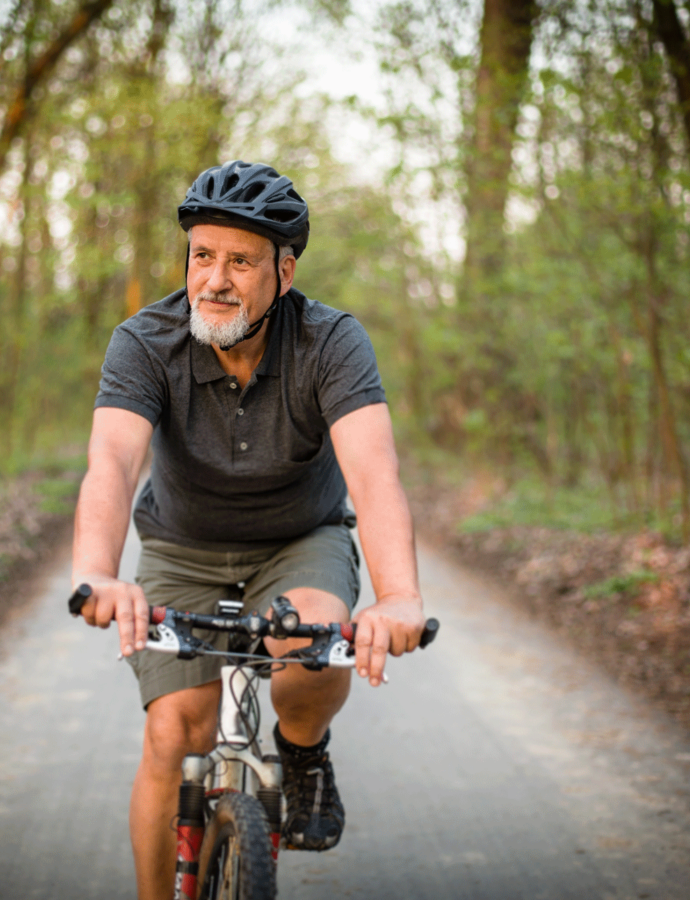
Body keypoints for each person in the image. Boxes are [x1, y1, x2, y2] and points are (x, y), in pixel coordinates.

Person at [71, 160, 426, 899]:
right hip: (181, 545)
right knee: (176, 731)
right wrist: (99, 572)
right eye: (203, 255)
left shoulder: (331, 342)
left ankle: (302, 753)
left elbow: (374, 474)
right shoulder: (145, 341)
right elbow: (111, 461)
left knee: (307, 650)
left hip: (300, 540)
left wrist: (396, 595)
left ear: (284, 272)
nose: (215, 280)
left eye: (240, 260)